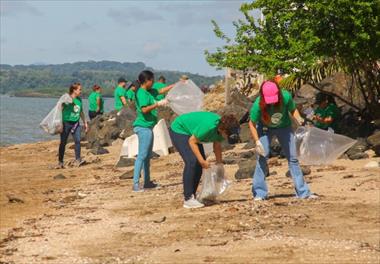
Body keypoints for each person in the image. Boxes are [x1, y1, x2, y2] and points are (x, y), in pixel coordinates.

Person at [248, 80, 317, 200]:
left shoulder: (285, 97)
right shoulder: (258, 104)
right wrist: (257, 141)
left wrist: (299, 120)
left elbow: (293, 110)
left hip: (284, 127)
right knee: (262, 157)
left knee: (293, 158)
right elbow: (252, 124)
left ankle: (303, 192)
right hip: (265, 128)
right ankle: (259, 193)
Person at [169, 111, 240, 209]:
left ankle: (192, 196)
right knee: (192, 162)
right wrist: (202, 161)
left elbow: (217, 145)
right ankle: (188, 198)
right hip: (180, 129)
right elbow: (192, 141)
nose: (226, 138)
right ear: (223, 130)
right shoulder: (209, 127)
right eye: (227, 135)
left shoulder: (222, 128)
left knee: (198, 163)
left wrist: (219, 164)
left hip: (193, 132)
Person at [132, 70, 168, 192]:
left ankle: (147, 182)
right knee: (141, 155)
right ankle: (135, 184)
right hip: (143, 127)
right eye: (152, 80)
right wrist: (157, 104)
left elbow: (162, 91)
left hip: (148, 127)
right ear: (146, 81)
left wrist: (177, 85)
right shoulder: (141, 93)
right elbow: (144, 110)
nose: (153, 82)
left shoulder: (149, 91)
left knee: (147, 156)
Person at [58, 83, 88, 168]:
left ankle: (78, 160)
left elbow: (81, 112)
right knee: (63, 143)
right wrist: (59, 122)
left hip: (75, 123)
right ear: (74, 90)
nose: (81, 91)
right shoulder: (67, 98)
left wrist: (85, 122)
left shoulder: (79, 100)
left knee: (78, 141)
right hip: (66, 123)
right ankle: (60, 162)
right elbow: (60, 109)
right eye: (79, 89)